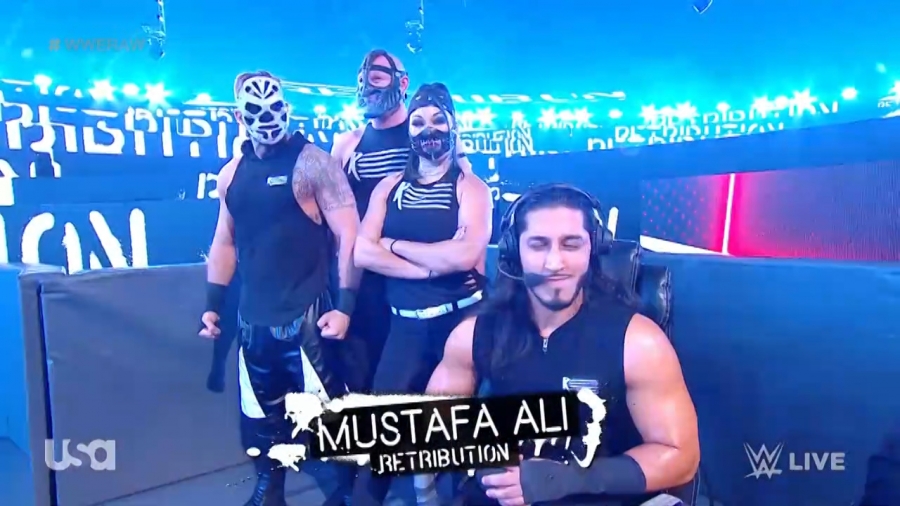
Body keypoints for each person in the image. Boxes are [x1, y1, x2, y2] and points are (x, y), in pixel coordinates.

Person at [427, 184, 701, 506]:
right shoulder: (473, 335)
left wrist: (568, 478)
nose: (554, 262)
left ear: (593, 248)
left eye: (571, 244)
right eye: (538, 245)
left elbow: (681, 457)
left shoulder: (638, 342)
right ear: (515, 251)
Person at [199, 70, 360, 506]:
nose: (268, 117)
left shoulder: (313, 163)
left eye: (274, 107)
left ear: (286, 107)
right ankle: (270, 492)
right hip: (253, 320)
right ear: (239, 115)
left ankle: (349, 495)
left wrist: (345, 306)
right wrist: (213, 303)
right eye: (256, 109)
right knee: (262, 418)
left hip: (307, 315)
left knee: (329, 416)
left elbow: (349, 234)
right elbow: (224, 240)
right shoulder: (231, 174)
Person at [350, 82, 494, 505]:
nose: (427, 129)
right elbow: (362, 252)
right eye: (417, 122)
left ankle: (434, 491)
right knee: (380, 436)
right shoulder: (389, 187)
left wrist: (393, 245)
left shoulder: (471, 187)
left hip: (461, 324)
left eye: (437, 119)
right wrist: (431, 265)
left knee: (459, 432)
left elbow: (465, 254)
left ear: (452, 125)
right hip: (406, 326)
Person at [330, 49, 474, 393]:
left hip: (427, 286)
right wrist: (342, 297)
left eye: (377, 78)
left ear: (402, 83)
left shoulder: (430, 135)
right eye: (361, 80)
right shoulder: (347, 144)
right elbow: (339, 225)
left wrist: (469, 267)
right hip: (367, 280)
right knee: (370, 384)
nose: (366, 87)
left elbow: (465, 200)